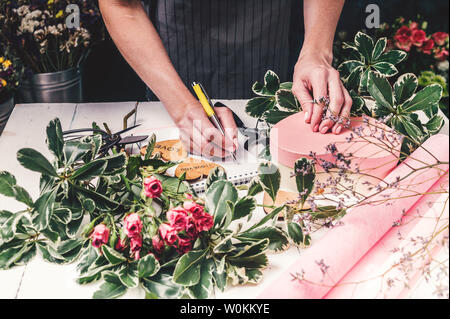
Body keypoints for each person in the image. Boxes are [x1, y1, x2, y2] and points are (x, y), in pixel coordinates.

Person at [99, 0, 352, 158]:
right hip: (177, 49)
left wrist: (316, 53)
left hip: (270, 43)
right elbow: (121, 4)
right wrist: (182, 107)